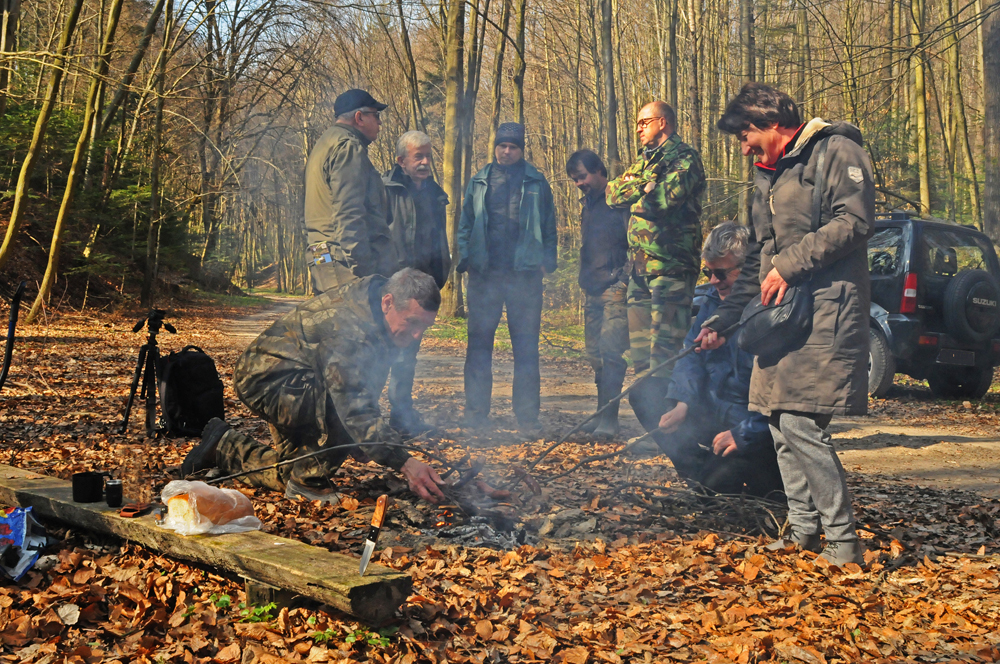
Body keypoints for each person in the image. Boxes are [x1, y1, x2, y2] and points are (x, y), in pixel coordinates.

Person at [698, 82, 875, 565]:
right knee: (778, 422)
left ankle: (843, 542)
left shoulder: (836, 151)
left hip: (826, 312)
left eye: (745, 136)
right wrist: (723, 320)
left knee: (801, 422)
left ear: (771, 123)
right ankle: (803, 532)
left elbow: (855, 222)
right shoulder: (769, 175)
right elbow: (759, 254)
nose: (744, 148)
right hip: (779, 321)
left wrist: (788, 266)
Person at [181, 268, 447, 505]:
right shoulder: (350, 328)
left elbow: (366, 386)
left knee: (294, 472)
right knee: (338, 412)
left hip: (298, 381)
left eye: (424, 327)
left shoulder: (376, 308)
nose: (417, 335)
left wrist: (366, 440)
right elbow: (352, 404)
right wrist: (403, 461)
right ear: (388, 302)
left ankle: (223, 446)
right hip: (268, 382)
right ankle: (309, 484)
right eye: (412, 323)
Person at [656, 222, 784, 498]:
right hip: (716, 413)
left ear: (748, 269)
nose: (713, 281)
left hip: (755, 428)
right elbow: (690, 356)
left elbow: (783, 397)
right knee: (649, 394)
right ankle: (705, 479)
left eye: (721, 273)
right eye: (708, 273)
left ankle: (733, 483)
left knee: (749, 488)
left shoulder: (773, 308)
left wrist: (745, 433)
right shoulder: (713, 300)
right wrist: (682, 400)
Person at [606, 101, 706, 434]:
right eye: (637, 123)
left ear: (662, 122)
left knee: (664, 356)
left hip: (671, 269)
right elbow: (611, 195)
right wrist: (643, 183)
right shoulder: (644, 161)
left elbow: (660, 202)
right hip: (639, 272)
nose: (638, 128)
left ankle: (676, 435)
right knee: (641, 360)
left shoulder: (685, 159)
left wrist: (637, 190)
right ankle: (654, 430)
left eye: (643, 122)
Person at [457, 122, 558, 433]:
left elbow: (550, 225)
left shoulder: (537, 182)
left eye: (513, 146)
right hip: (485, 276)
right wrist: (466, 258)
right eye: (502, 145)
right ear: (495, 147)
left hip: (524, 278)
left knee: (526, 349)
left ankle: (527, 418)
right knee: (478, 347)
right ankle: (475, 415)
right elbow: (465, 223)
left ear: (521, 150)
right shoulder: (479, 180)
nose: (507, 151)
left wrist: (547, 262)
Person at [382, 131, 451, 436]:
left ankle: (401, 418)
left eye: (428, 156)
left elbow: (439, 240)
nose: (425, 162)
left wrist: (439, 277)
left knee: (407, 354)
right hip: (389, 287)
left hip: (421, 288)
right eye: (418, 156)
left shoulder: (436, 194)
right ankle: (365, 419)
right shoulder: (385, 190)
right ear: (401, 160)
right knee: (376, 353)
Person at [304, 88, 399, 294]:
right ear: (359, 117)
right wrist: (365, 271)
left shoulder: (324, 144)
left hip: (322, 255)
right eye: (376, 115)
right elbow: (349, 213)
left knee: (331, 313)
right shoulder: (348, 147)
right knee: (351, 315)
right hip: (345, 264)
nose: (380, 123)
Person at [566, 149, 629, 438]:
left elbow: (635, 242)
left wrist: (624, 279)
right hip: (592, 287)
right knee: (594, 353)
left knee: (611, 351)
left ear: (600, 171)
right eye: (575, 179)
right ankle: (602, 413)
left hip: (616, 288)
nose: (579, 183)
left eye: (582, 177)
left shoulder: (619, 201)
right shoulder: (588, 204)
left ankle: (610, 420)